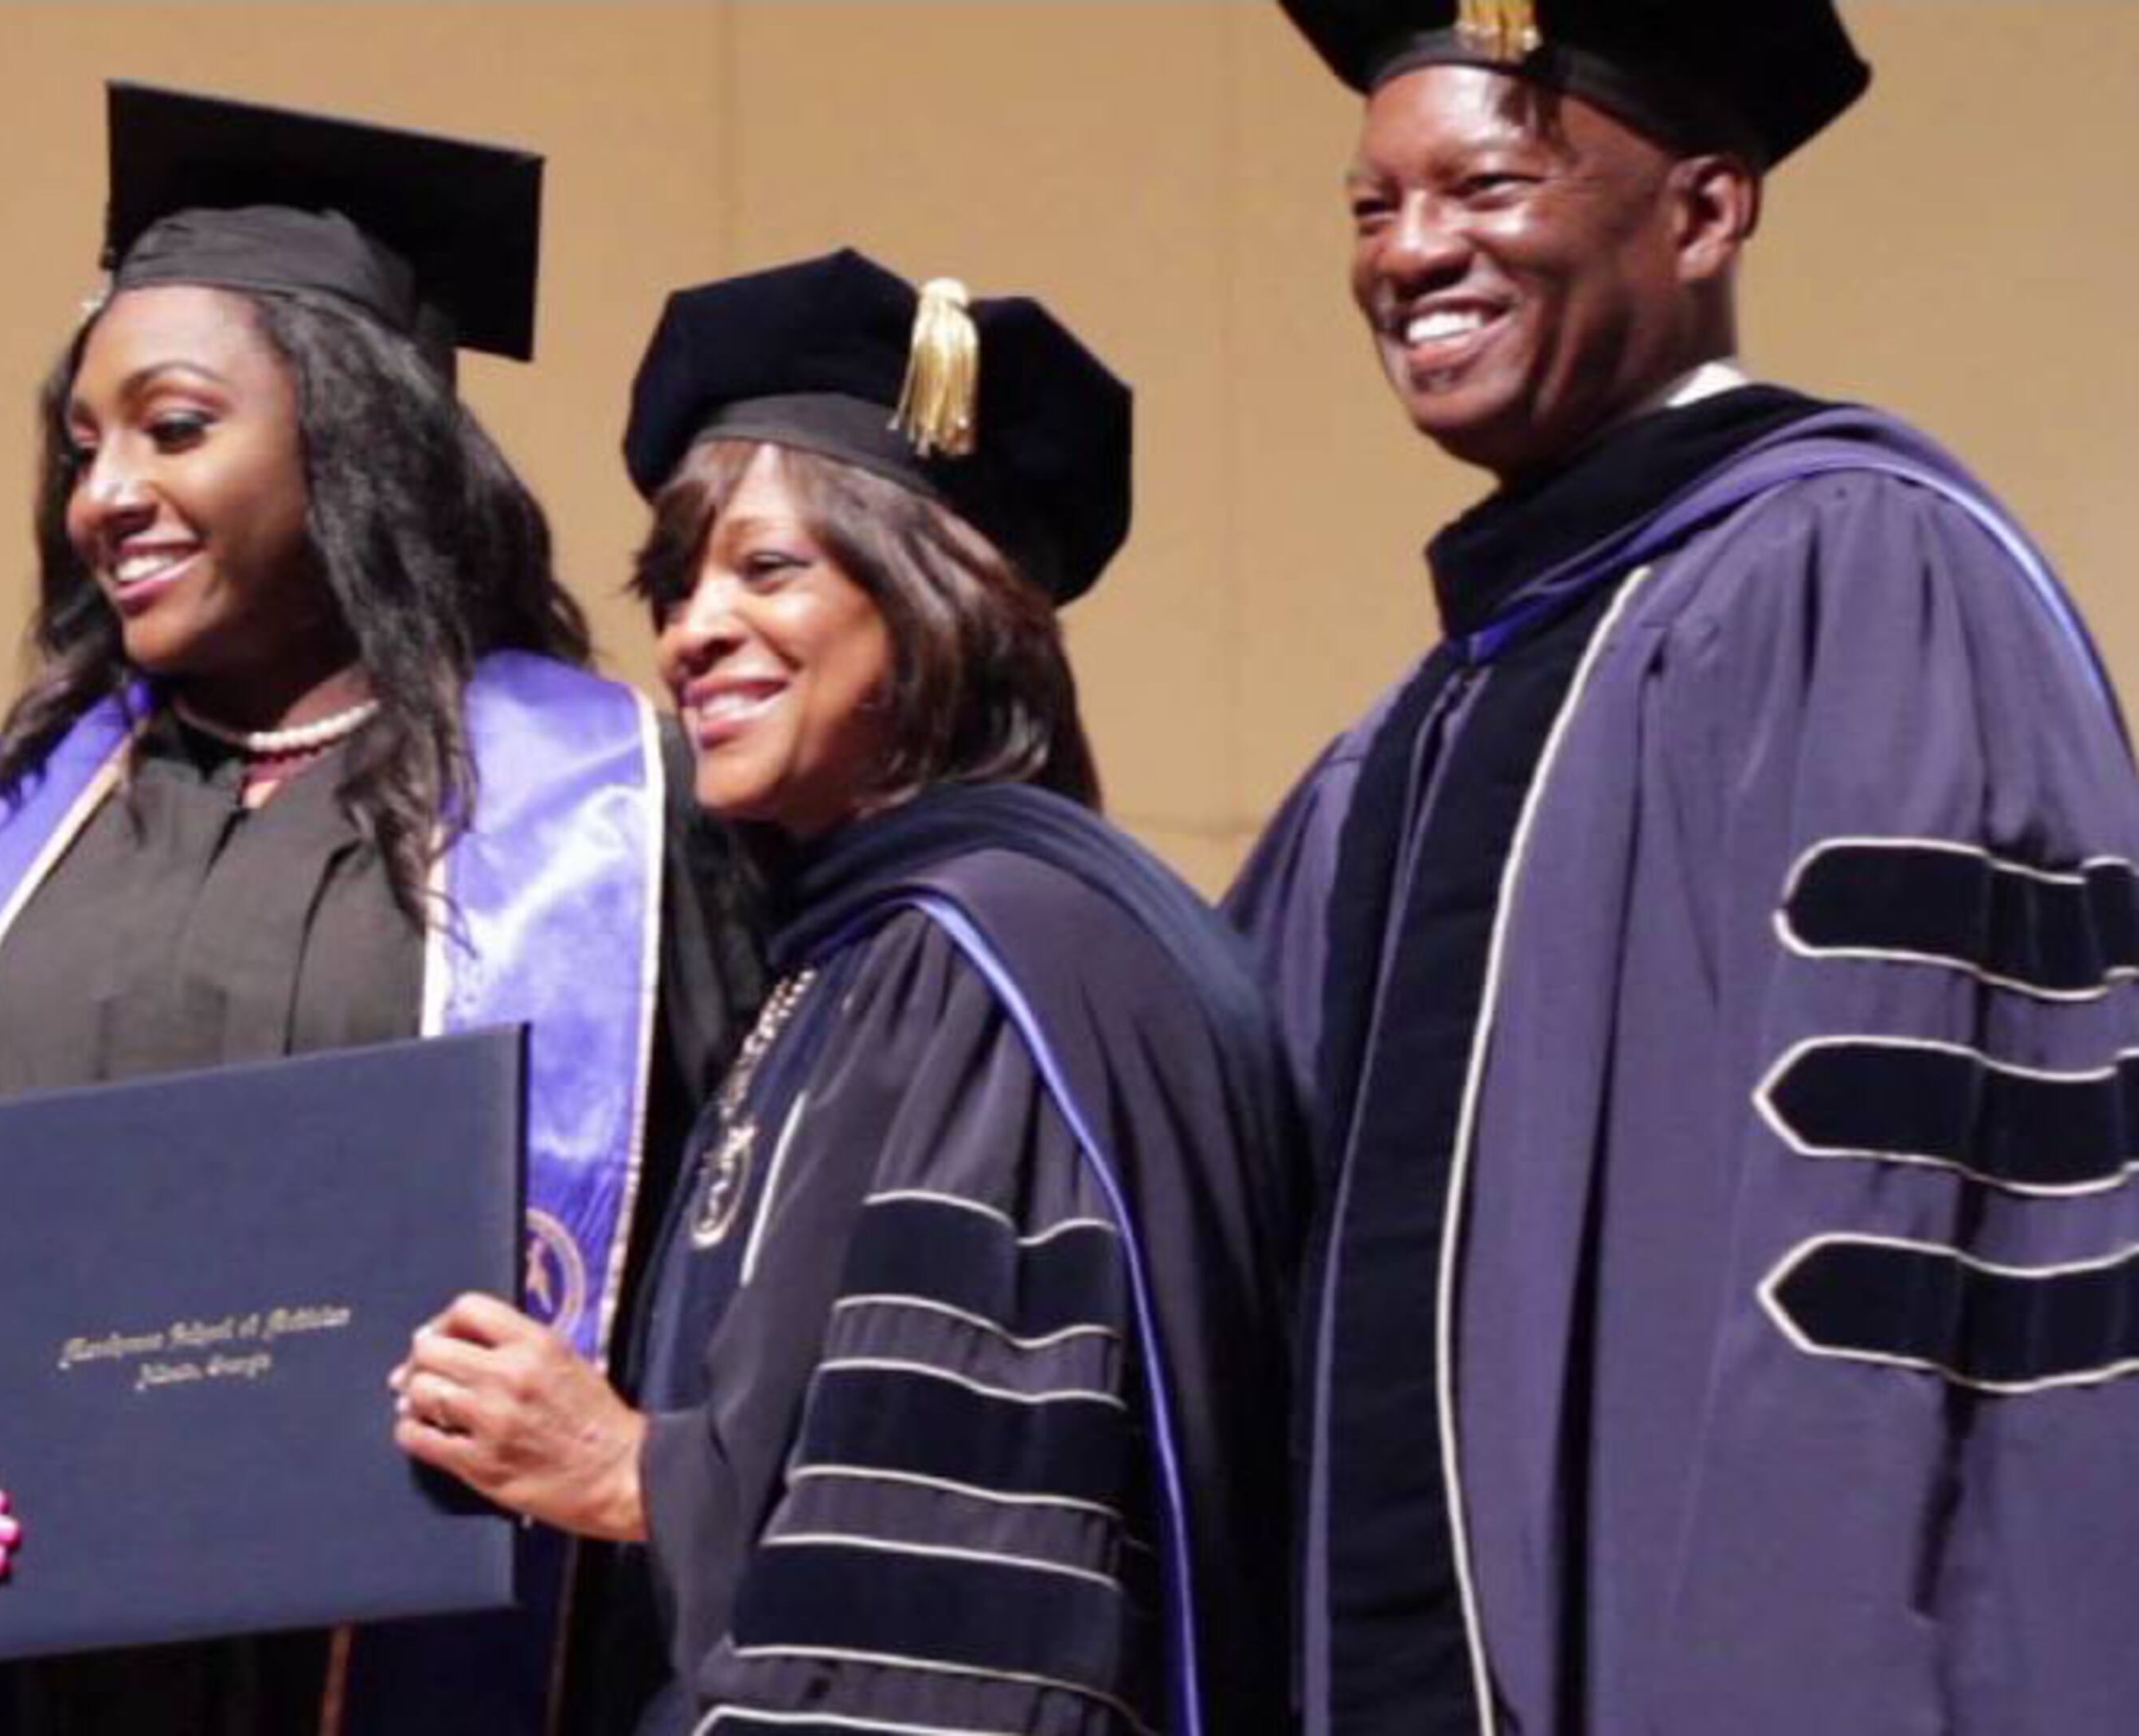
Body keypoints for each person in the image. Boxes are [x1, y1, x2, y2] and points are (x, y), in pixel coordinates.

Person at [0, 84, 758, 1736]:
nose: (101, 495)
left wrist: (622, 1453)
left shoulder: (615, 815)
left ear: (354, 438)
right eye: (82, 445)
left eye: (174, 429)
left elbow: (739, 1276)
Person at [1231, 3, 2139, 1731]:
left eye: (1485, 186)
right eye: (1372, 206)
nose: (1415, 253)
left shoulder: (1858, 580)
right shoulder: (1419, 734)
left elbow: (1886, 1240)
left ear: (1706, 212)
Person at [392, 248, 1307, 1736]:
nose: (694, 631)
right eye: (676, 583)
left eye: (767, 569)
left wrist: (632, 1471)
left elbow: (961, 1559)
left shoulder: (998, 964)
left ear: (940, 600)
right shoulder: (864, 955)